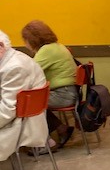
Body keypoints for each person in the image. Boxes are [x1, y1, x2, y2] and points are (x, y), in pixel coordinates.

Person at [21, 21, 76, 151]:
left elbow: (28, 71)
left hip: (63, 95)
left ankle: (47, 144)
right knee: (34, 102)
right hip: (69, 92)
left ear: (32, 40)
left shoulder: (47, 50)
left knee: (27, 105)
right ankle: (62, 129)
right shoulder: (57, 46)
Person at [0, 30, 47, 161]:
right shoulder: (12, 57)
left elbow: (7, 110)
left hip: (22, 123)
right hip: (20, 115)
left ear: (1, 46)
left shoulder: (14, 67)